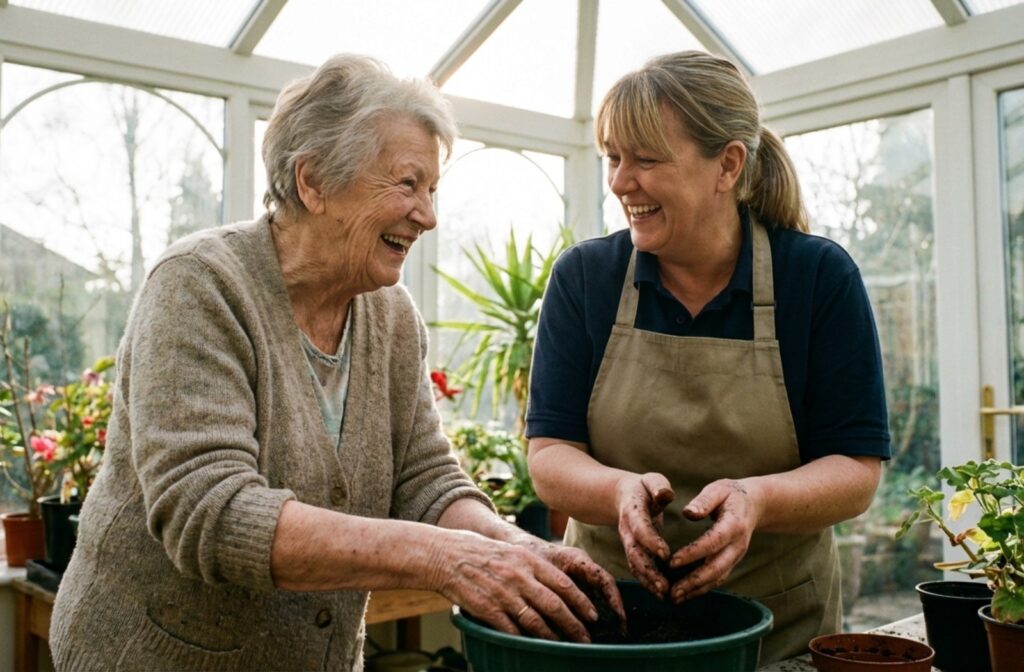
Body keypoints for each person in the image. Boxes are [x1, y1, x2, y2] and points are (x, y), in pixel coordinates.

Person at [50, 54, 622, 671]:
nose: (428, 214)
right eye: (407, 184)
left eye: (432, 189)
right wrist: (444, 557)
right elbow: (209, 514)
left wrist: (514, 548)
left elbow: (425, 479)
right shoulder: (198, 288)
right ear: (312, 181)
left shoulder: (391, 315)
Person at [526, 50, 889, 664]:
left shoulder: (817, 279)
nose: (619, 181)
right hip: (610, 626)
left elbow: (856, 471)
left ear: (727, 165)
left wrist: (759, 501)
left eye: (645, 158)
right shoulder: (585, 279)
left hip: (776, 634)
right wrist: (619, 493)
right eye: (613, 157)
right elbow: (549, 456)